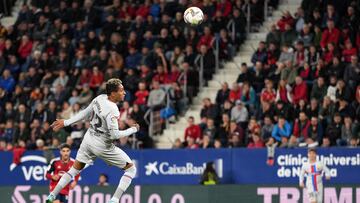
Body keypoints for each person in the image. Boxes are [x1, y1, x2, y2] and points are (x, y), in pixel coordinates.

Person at [46, 79, 140, 203]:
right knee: (131, 169)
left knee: (74, 170)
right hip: (102, 145)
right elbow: (115, 135)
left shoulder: (99, 98)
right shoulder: (113, 110)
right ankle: (115, 199)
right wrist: (133, 129)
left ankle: (52, 195)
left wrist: (66, 122)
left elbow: (85, 113)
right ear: (112, 93)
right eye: (121, 90)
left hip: (88, 139)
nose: (124, 93)